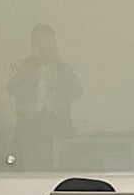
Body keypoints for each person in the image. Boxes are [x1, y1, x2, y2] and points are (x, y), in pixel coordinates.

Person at [7, 23, 81, 170]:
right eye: (42, 46)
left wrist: (59, 70)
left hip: (57, 124)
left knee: (60, 167)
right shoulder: (21, 66)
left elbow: (76, 91)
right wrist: (30, 66)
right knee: (26, 167)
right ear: (33, 45)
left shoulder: (64, 69)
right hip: (29, 125)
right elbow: (12, 89)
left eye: (50, 46)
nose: (46, 51)